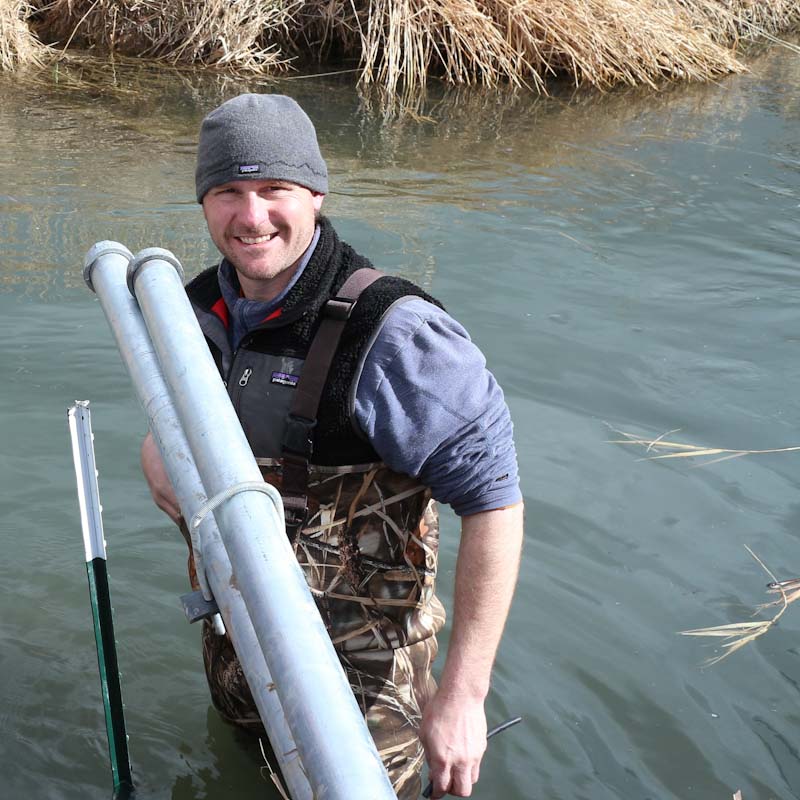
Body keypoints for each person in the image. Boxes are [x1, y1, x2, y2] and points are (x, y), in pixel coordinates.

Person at [141, 93, 523, 799]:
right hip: (239, 661)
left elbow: (495, 500)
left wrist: (464, 698)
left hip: (366, 703)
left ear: (316, 193)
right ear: (204, 201)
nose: (251, 217)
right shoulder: (196, 310)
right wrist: (157, 453)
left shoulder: (396, 334)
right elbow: (170, 428)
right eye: (229, 191)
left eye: (274, 190)